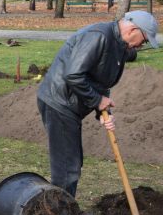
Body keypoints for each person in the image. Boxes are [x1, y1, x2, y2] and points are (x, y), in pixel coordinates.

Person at [37, 11, 158, 197]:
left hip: (70, 103)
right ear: (133, 29)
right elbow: (73, 75)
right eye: (145, 39)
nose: (143, 44)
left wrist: (102, 112)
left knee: (72, 164)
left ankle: (64, 212)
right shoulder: (98, 37)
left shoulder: (118, 45)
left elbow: (99, 81)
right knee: (67, 168)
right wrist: (97, 100)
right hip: (59, 102)